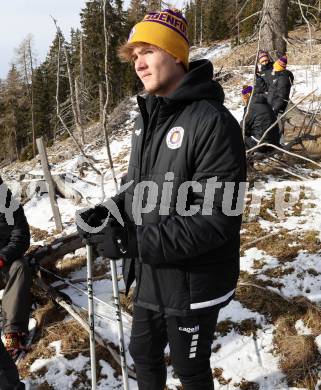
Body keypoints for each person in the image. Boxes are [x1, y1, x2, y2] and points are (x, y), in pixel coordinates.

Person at [77, 8, 246, 390]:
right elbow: (139, 190)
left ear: (175, 54)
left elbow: (218, 217)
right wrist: (106, 213)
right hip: (151, 272)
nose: (138, 63)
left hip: (193, 281)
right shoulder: (147, 118)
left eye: (148, 51)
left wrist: (131, 240)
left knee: (190, 371)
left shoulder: (213, 122)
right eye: (134, 56)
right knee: (143, 354)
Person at [0, 176, 31, 361]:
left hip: (5, 265)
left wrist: (2, 258)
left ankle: (13, 333)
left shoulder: (9, 206)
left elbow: (21, 238)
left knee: (20, 267)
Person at [241, 85, 280, 151]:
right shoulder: (266, 103)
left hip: (261, 144)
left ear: (247, 96)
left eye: (243, 97)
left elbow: (244, 128)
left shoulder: (251, 107)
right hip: (275, 142)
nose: (243, 99)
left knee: (236, 139)